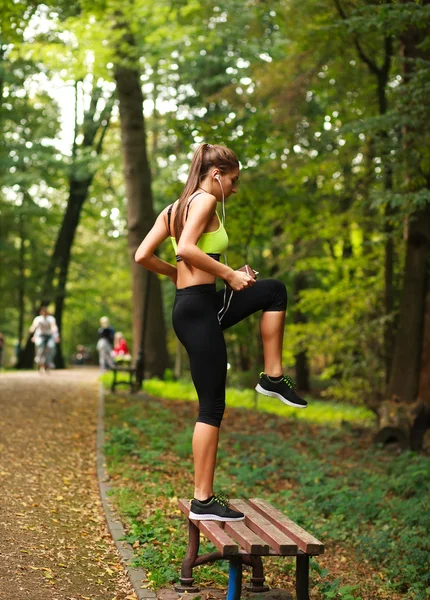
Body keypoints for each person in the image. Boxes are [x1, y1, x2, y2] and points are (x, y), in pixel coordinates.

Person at [134, 143, 307, 522]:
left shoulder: (172, 209)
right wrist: (228, 274)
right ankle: (203, 500)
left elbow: (142, 256)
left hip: (195, 306)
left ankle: (273, 378)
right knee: (211, 407)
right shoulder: (204, 202)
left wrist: (213, 276)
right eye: (234, 179)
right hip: (199, 311)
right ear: (217, 174)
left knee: (273, 290)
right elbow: (189, 250)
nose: (235, 187)